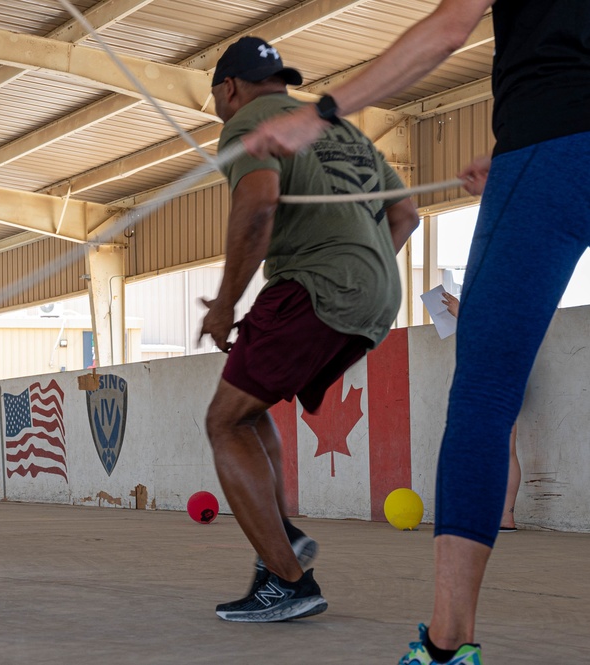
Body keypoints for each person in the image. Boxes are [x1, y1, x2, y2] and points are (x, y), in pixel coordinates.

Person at [241, 1, 590, 662]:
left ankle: (445, 645)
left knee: (483, 400)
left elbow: (446, 27)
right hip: (543, 146)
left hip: (547, 148)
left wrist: (316, 115)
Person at [199, 37, 419, 623]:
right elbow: (406, 215)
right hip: (377, 294)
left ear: (228, 88)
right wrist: (361, 272)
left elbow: (259, 203)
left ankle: (288, 579)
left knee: (222, 422)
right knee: (249, 409)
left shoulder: (246, 121)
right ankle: (285, 537)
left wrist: (224, 305)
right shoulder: (341, 129)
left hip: (312, 285)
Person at [441, 292, 520, 532]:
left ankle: (500, 515)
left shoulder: (502, 306)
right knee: (501, 450)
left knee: (496, 450)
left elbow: (491, 338)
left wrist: (461, 312)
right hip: (503, 376)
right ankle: (501, 515)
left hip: (496, 378)